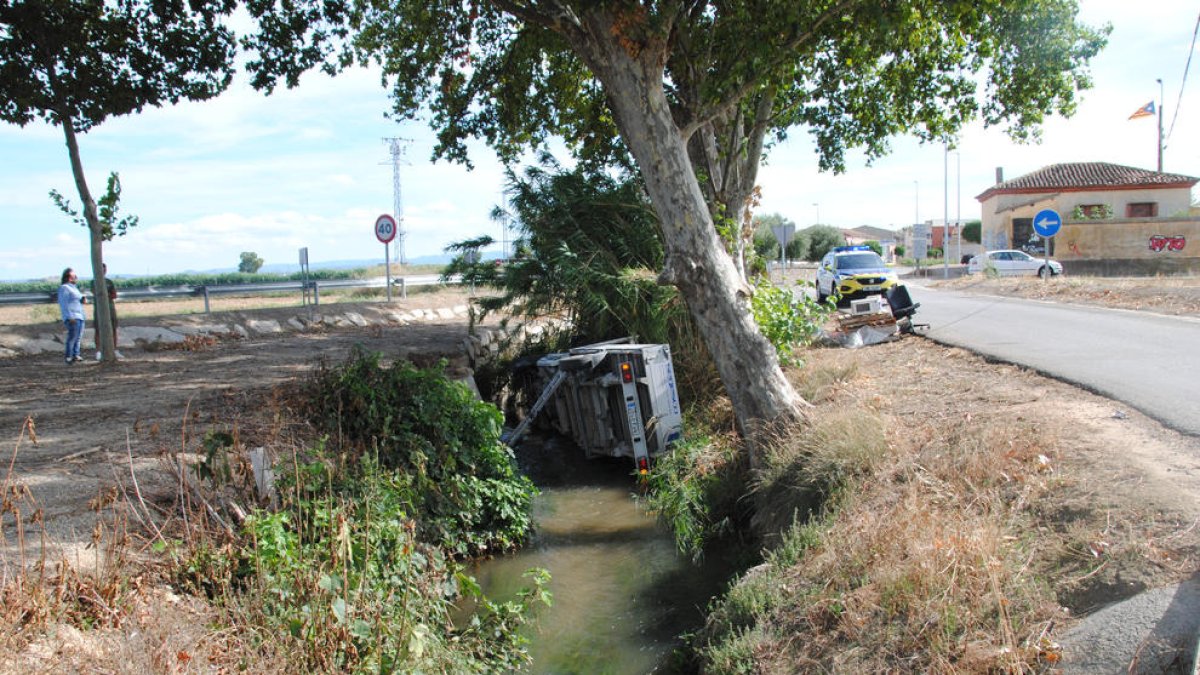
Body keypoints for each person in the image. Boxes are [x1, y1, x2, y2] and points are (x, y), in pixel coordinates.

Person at [57, 267, 86, 364]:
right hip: (73, 316)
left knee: (78, 337)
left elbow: (79, 300)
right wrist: (69, 316)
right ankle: (68, 356)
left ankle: (76, 354)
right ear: (69, 278)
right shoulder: (64, 288)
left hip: (80, 315)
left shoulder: (75, 289)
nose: (76, 278)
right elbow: (63, 303)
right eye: (74, 276)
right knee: (72, 337)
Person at [94, 263, 123, 360]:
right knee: (98, 329)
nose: (104, 271)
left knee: (113, 329)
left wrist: (106, 294)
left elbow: (114, 295)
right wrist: (105, 294)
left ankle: (114, 349)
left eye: (105, 269)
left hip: (110, 308)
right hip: (99, 309)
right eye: (102, 269)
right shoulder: (94, 281)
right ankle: (98, 351)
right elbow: (98, 293)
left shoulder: (109, 282)